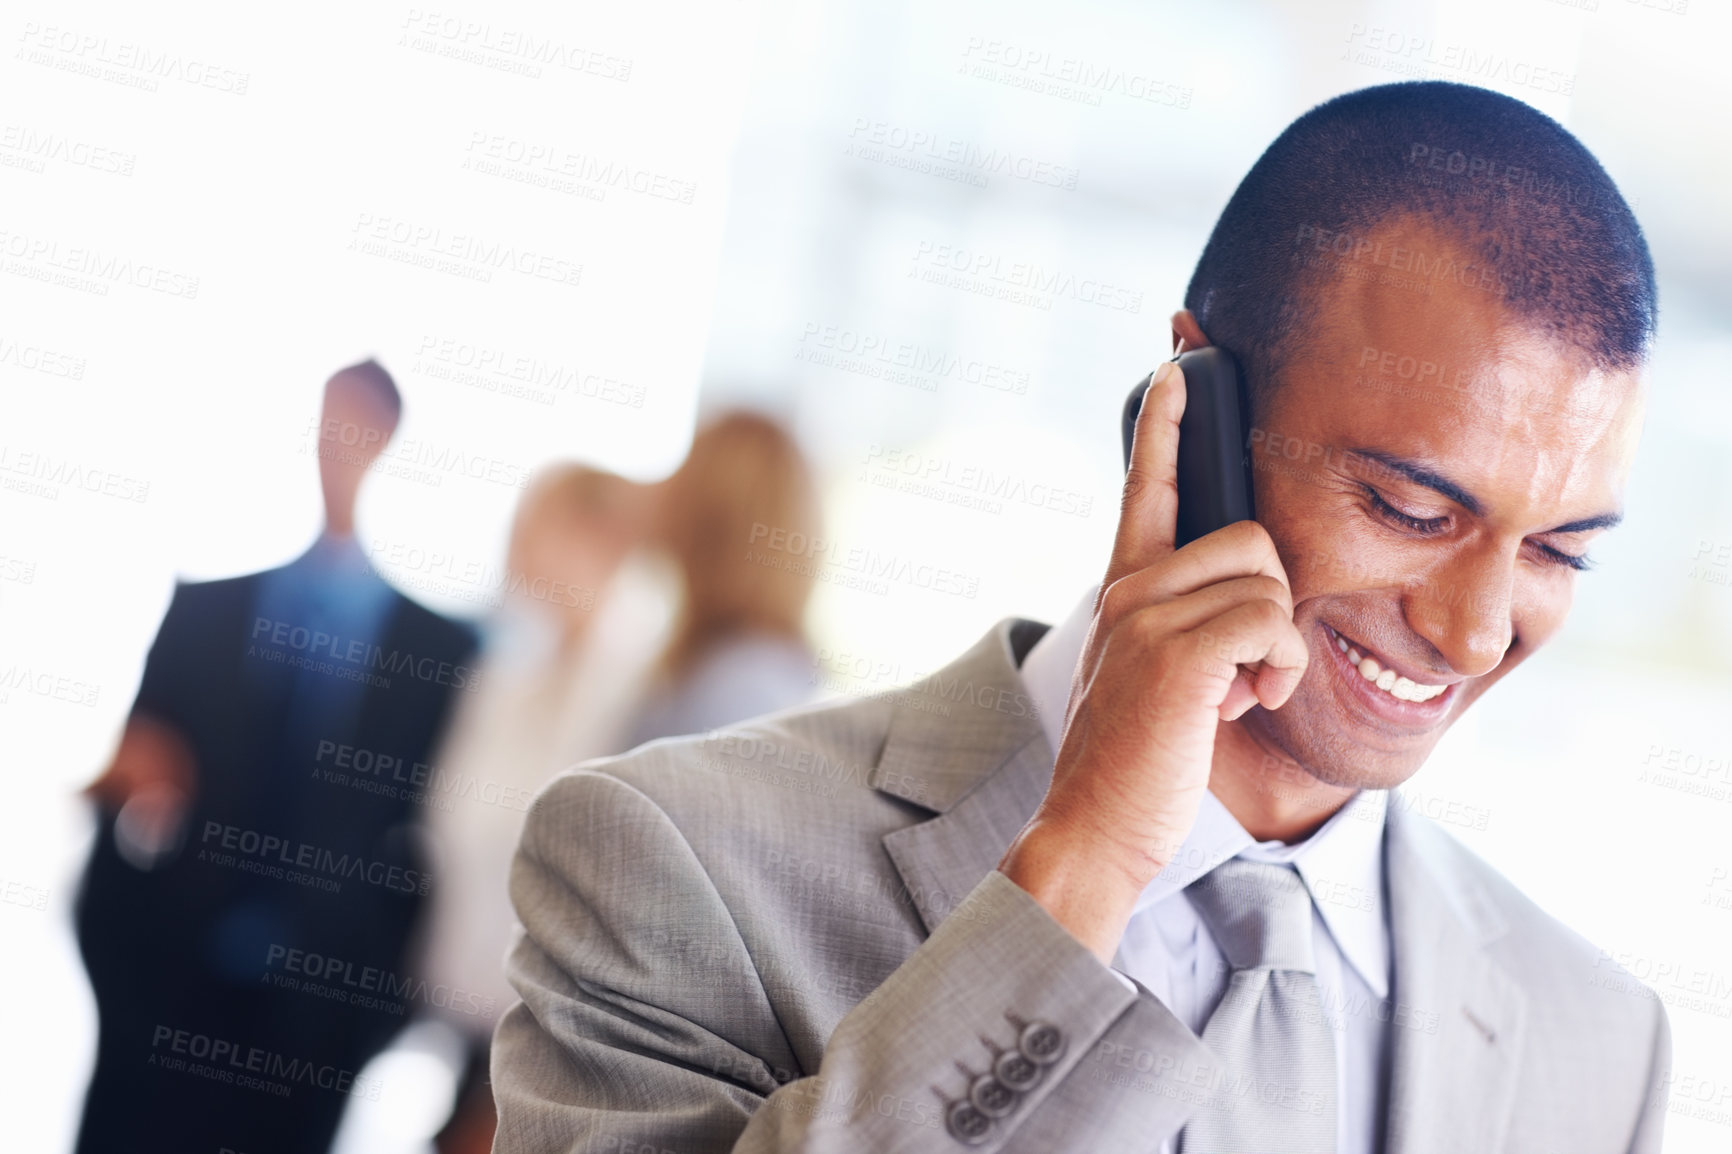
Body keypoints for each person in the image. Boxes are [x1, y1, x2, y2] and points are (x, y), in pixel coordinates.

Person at [489, 82, 1671, 1153]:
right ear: (1190, 410)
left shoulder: (1598, 1045)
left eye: (1559, 550)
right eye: (1410, 507)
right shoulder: (669, 861)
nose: (1474, 633)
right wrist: (1084, 863)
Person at [74, 360, 479, 1154]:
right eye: (329, 422)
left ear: (390, 440)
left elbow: (434, 838)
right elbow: (127, 769)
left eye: (359, 426)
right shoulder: (206, 609)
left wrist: (369, 1016)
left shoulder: (440, 650)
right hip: (161, 992)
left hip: (312, 1029)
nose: (340, 445)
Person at [417, 463, 673, 1154]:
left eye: (541, 529)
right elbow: (452, 823)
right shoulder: (507, 671)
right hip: (468, 1012)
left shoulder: (646, 685)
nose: (520, 550)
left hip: (554, 1033)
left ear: (606, 539)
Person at [623, 410, 821, 747]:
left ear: (708, 521)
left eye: (685, 477)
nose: (664, 496)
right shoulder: (722, 667)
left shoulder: (740, 689)